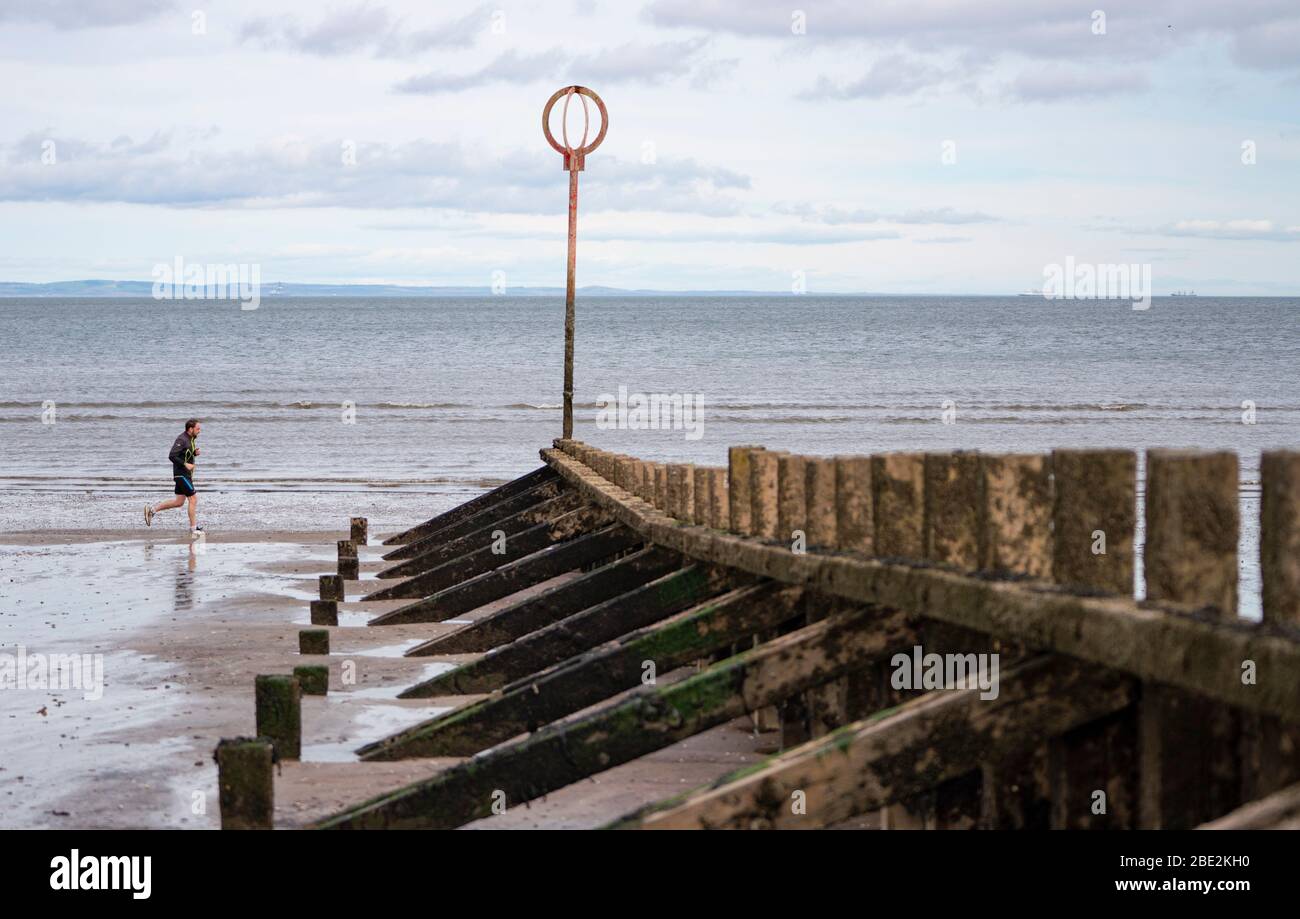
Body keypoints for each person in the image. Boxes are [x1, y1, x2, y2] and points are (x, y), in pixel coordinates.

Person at [144, 419, 203, 537]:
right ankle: (193, 529)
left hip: (185, 475)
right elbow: (172, 455)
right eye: (197, 429)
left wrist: (193, 453)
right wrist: (185, 464)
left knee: (179, 502)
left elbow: (184, 454)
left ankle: (152, 510)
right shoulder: (182, 439)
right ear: (190, 429)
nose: (199, 431)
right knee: (193, 499)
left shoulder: (190, 439)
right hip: (181, 474)